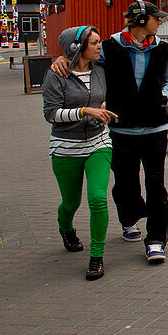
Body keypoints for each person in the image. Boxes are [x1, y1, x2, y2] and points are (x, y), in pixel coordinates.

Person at [53, 0, 168, 265]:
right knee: (125, 182)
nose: (160, 21)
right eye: (156, 17)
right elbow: (83, 61)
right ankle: (129, 218)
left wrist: (163, 99)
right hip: (121, 129)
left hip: (156, 127)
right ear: (142, 20)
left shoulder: (163, 48)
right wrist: (62, 58)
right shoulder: (110, 48)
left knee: (156, 184)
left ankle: (156, 240)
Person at [42, 26, 117, 280]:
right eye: (95, 43)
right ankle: (65, 227)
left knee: (97, 198)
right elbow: (51, 114)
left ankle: (96, 256)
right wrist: (85, 111)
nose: (100, 47)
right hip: (66, 147)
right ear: (77, 47)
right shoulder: (56, 75)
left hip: (98, 143)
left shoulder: (101, 70)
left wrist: (104, 109)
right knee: (71, 202)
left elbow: (105, 97)